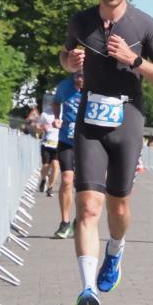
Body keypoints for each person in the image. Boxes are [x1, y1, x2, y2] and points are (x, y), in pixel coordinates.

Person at [59, 0, 153, 305]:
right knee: (88, 207)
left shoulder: (145, 26)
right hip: (89, 119)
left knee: (118, 207)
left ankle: (116, 249)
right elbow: (64, 55)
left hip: (127, 117)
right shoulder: (81, 21)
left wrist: (134, 60)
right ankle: (87, 289)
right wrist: (69, 63)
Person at [51, 72, 84, 238]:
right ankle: (64, 222)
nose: (79, 80)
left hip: (87, 143)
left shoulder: (95, 87)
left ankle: (80, 219)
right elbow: (56, 102)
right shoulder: (64, 86)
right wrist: (56, 118)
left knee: (83, 185)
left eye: (83, 77)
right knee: (66, 180)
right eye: (77, 76)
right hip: (66, 140)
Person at [38, 107, 60, 196]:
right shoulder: (45, 114)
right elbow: (37, 127)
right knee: (45, 166)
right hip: (47, 144)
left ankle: (50, 188)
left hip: (58, 144)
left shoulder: (63, 112)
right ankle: (43, 179)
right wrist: (42, 127)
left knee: (55, 166)